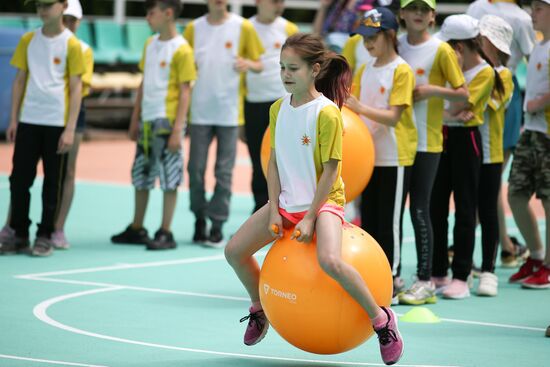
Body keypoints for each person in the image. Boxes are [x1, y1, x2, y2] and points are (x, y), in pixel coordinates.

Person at [225, 33, 404, 366]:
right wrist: (274, 207)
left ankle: (381, 320)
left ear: (315, 69)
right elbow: (274, 161)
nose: (285, 74)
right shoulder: (278, 109)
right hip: (286, 203)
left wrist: (309, 217)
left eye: (293, 68)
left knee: (330, 262)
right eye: (281, 67)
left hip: (323, 203)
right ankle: (259, 308)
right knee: (234, 251)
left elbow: (331, 171)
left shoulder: (327, 113)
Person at [0, 0, 93, 251]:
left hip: (56, 122)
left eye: (48, 4)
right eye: (39, 5)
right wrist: (13, 120)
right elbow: (19, 80)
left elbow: (76, 88)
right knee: (19, 180)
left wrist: (70, 128)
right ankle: (18, 233)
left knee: (53, 183)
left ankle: (45, 234)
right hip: (29, 120)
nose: (42, 9)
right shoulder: (28, 40)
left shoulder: (72, 45)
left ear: (62, 6)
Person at [396, 0, 468, 305]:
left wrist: (431, 91)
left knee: (420, 209)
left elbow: (463, 94)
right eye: (411, 8)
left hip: (427, 141)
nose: (417, 14)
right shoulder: (395, 45)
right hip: (397, 140)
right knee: (394, 210)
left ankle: (424, 280)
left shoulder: (442, 50)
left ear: (432, 16)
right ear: (401, 14)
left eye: (423, 9)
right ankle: (393, 274)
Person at [344, 7, 416, 305]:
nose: (368, 43)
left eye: (373, 36)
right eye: (364, 37)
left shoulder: (401, 70)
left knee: (390, 222)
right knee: (370, 221)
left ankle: (394, 277)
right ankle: (374, 276)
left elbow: (394, 117)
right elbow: (355, 108)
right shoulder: (365, 69)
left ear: (389, 35)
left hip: (395, 156)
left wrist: (359, 108)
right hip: (368, 157)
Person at [111, 0, 196, 250]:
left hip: (167, 122)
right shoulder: (150, 44)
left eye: (151, 13)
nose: (147, 17)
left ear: (168, 14)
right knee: (142, 174)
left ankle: (165, 231)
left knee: (169, 177)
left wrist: (178, 130)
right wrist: (135, 117)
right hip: (148, 121)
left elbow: (185, 92)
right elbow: (144, 82)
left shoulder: (182, 49)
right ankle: (137, 227)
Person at [184, 0, 264, 248]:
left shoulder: (243, 27)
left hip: (229, 113)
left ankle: (217, 223)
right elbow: (182, 64)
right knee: (195, 170)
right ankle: (199, 218)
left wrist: (247, 64)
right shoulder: (193, 29)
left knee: (224, 172)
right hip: (199, 112)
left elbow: (259, 64)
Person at [430, 14, 498, 299]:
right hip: (442, 136)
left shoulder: (485, 72)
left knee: (466, 208)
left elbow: (465, 105)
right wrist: (450, 110)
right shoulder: (448, 70)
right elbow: (452, 109)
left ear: (458, 47)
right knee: (436, 206)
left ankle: (461, 275)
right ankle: (437, 271)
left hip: (467, 140)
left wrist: (447, 108)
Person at [467, 0, 536, 267]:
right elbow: (532, 56)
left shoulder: (518, 17)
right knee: (488, 181)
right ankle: (503, 246)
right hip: (489, 85)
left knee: (487, 179)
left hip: (498, 88)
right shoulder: (517, 16)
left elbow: (535, 58)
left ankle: (498, 246)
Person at [507, 0, 550, 289]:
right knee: (516, 194)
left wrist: (541, 102)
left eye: (538, 8)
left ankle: (547, 265)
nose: (532, 13)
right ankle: (536, 256)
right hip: (531, 131)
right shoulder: (538, 46)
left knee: (548, 200)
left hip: (547, 134)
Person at [244, 0, 298, 213]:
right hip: (254, 103)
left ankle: (287, 208)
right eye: (274, 1)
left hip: (283, 103)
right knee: (258, 162)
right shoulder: (245, 28)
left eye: (282, 1)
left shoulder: (289, 29)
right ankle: (260, 210)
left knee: (284, 160)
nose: (280, 5)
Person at [476, 15, 514, 296]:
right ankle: (462, 268)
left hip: (490, 153)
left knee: (488, 212)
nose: (479, 41)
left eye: (484, 38)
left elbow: (481, 105)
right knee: (466, 211)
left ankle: (488, 270)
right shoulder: (474, 71)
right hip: (466, 151)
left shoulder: (504, 76)